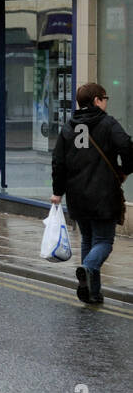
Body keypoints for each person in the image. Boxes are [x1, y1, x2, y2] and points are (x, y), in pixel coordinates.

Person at [51, 82, 132, 305]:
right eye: (105, 98)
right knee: (104, 241)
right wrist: (124, 171)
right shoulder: (107, 123)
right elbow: (127, 146)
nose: (106, 102)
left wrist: (58, 192)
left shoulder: (69, 127)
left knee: (88, 239)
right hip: (103, 195)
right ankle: (87, 268)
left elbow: (58, 162)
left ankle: (92, 293)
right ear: (96, 100)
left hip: (77, 196)